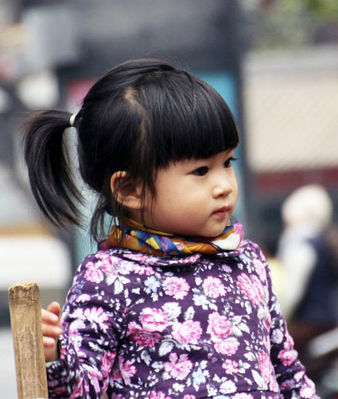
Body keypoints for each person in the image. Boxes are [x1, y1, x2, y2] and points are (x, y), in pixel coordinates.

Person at [23, 58, 319, 399]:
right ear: (129, 190)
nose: (223, 185)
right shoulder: (108, 277)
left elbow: (288, 372)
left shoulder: (247, 260)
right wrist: (56, 357)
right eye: (200, 171)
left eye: (227, 163)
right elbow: (83, 389)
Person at [277, 185, 338, 384]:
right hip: (331, 322)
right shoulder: (325, 239)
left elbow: (293, 292)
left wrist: (279, 319)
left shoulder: (299, 241)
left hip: (311, 324)